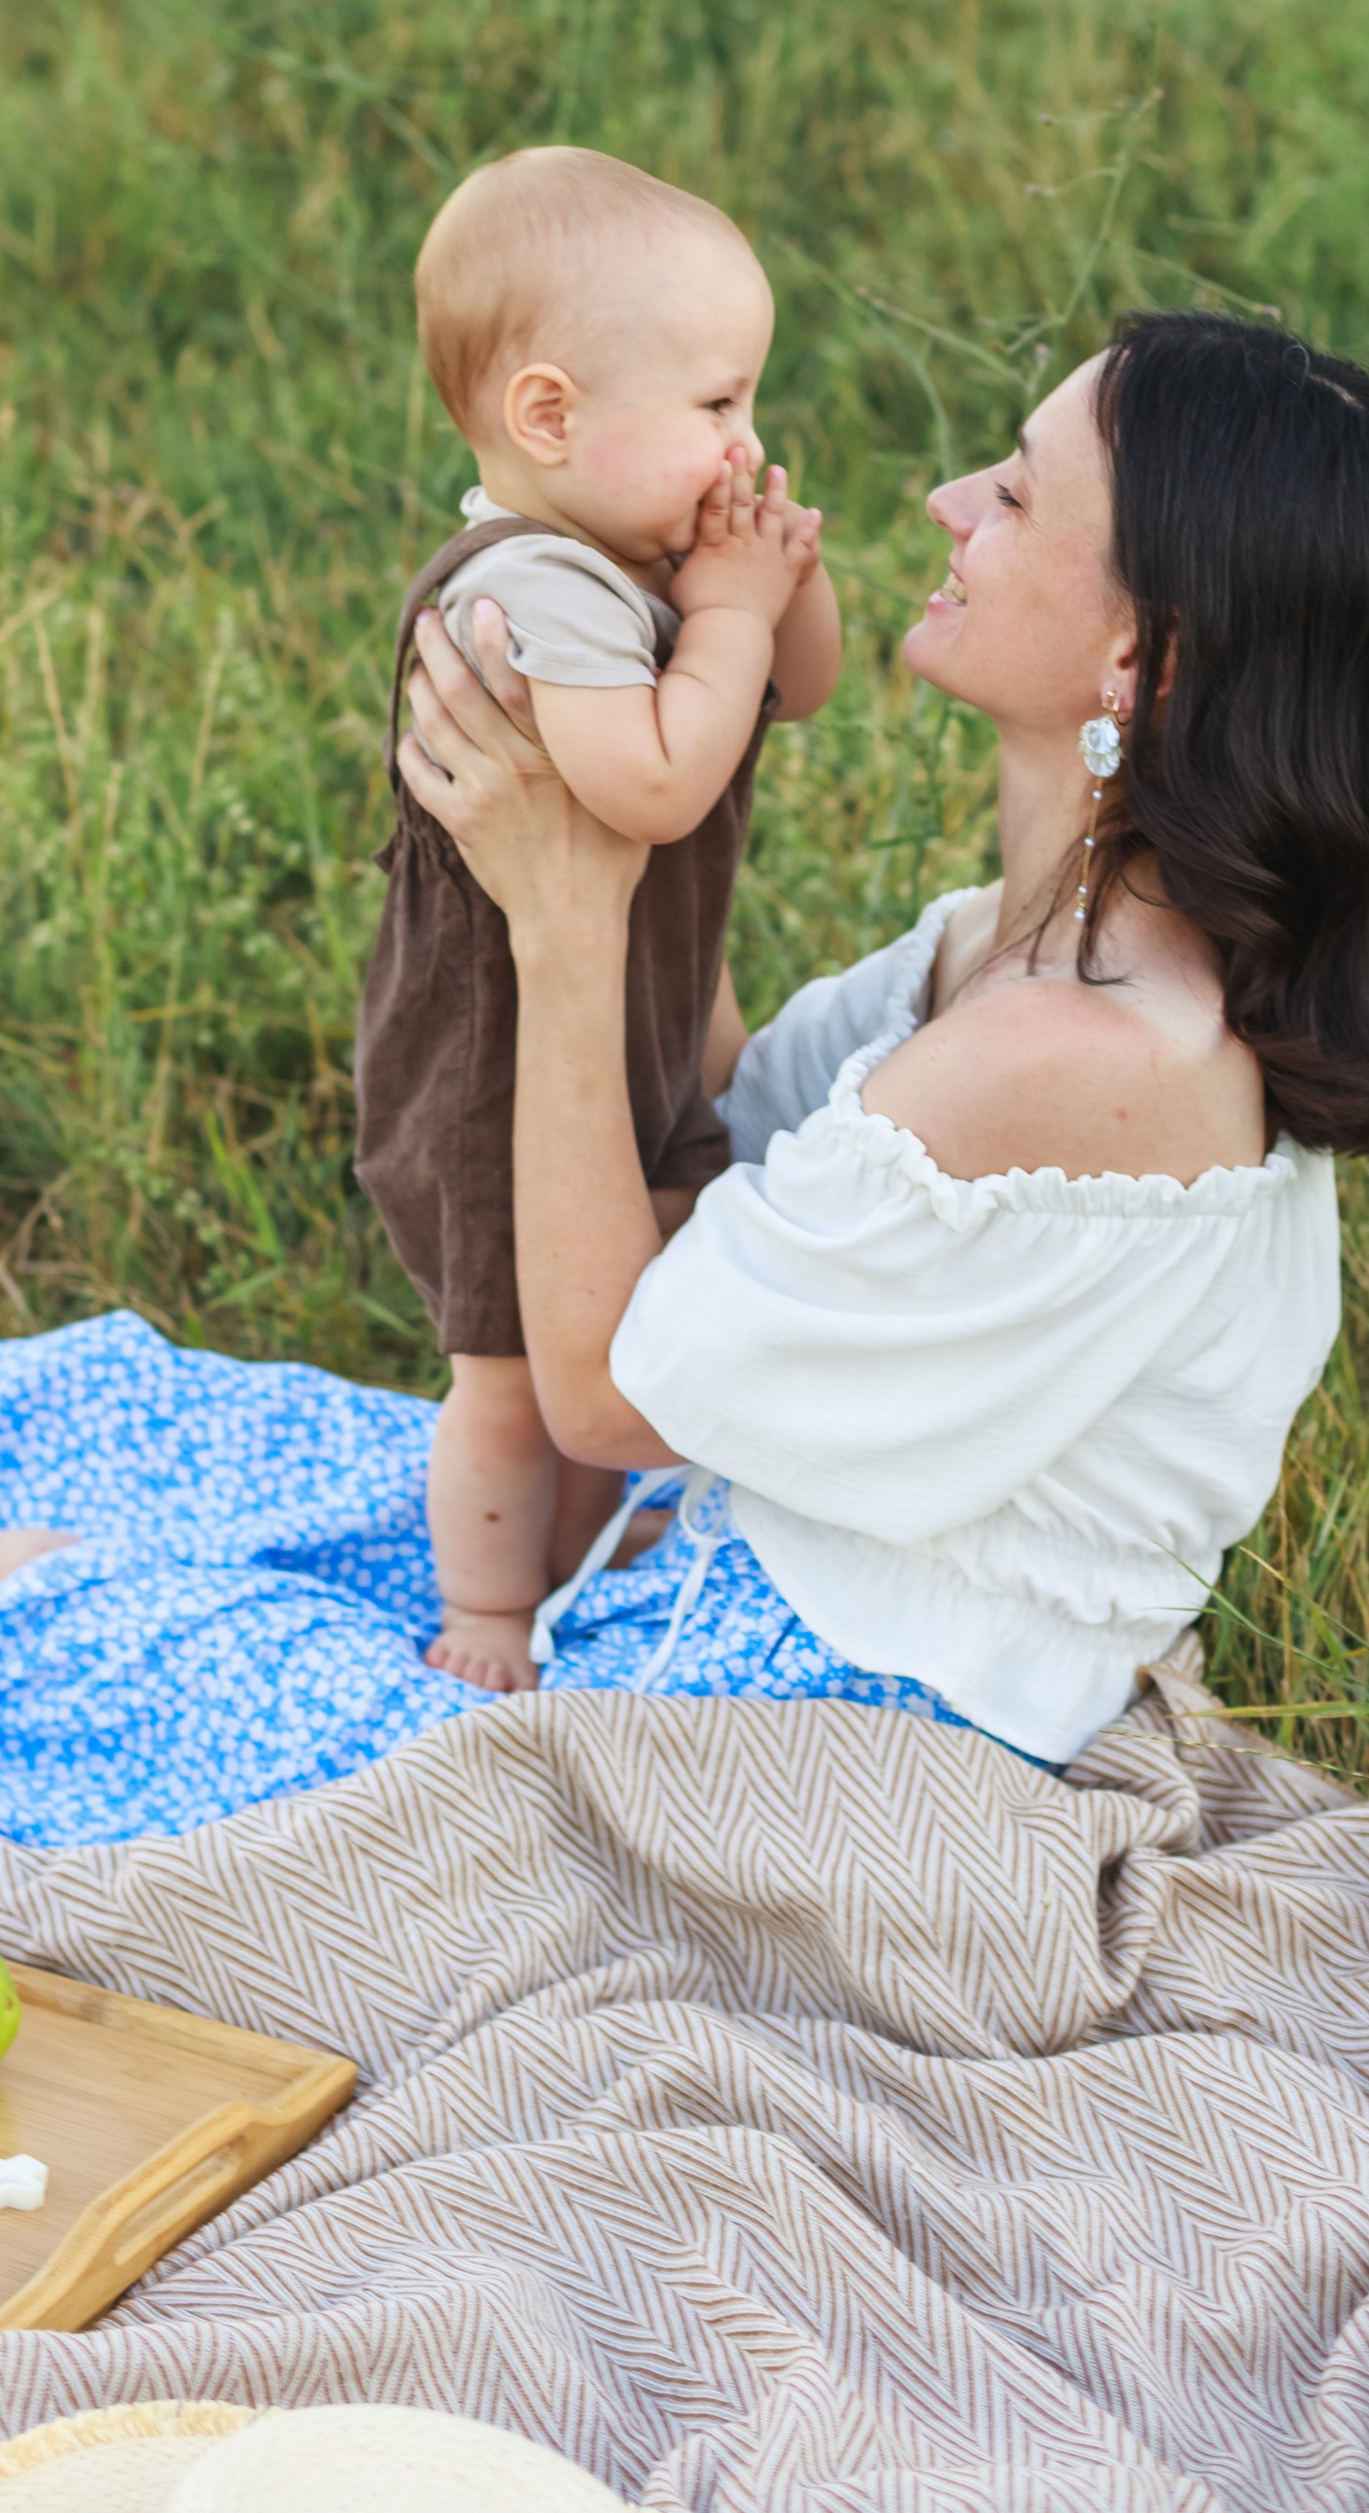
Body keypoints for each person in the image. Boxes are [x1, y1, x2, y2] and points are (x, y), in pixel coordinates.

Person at [0, 313, 1369, 1850]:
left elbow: (607, 1379)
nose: (954, 497)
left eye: (1021, 489)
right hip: (684, 1561)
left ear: (1144, 648)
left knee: (36, 1614)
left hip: (764, 1737)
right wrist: (630, 803)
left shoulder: (1087, 1055)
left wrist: (567, 916)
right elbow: (702, 1154)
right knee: (88, 1415)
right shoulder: (1013, 950)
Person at [354, 147, 840, 1693]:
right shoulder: (536, 591)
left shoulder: (634, 558)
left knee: (620, 1328)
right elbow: (655, 784)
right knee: (510, 1368)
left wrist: (777, 581)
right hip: (494, 1072)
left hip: (630, 1031)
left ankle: (574, 1557)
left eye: (749, 398)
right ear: (551, 418)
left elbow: (798, 688)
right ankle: (487, 1613)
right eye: (715, 404)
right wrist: (733, 611)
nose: (743, 440)